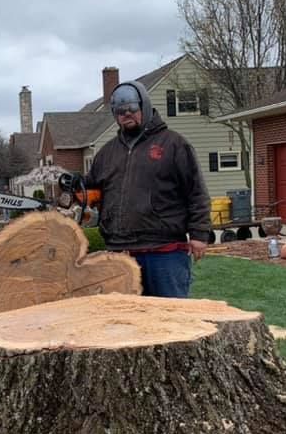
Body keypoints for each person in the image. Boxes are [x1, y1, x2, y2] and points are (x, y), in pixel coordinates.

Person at [78, 80, 210, 298]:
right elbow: (92, 186)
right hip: (121, 252)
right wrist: (75, 184)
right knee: (126, 322)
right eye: (120, 111)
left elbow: (196, 192)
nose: (126, 114)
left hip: (164, 252)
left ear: (144, 106)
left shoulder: (174, 144)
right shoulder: (107, 153)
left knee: (170, 320)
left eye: (131, 108)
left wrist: (199, 234)